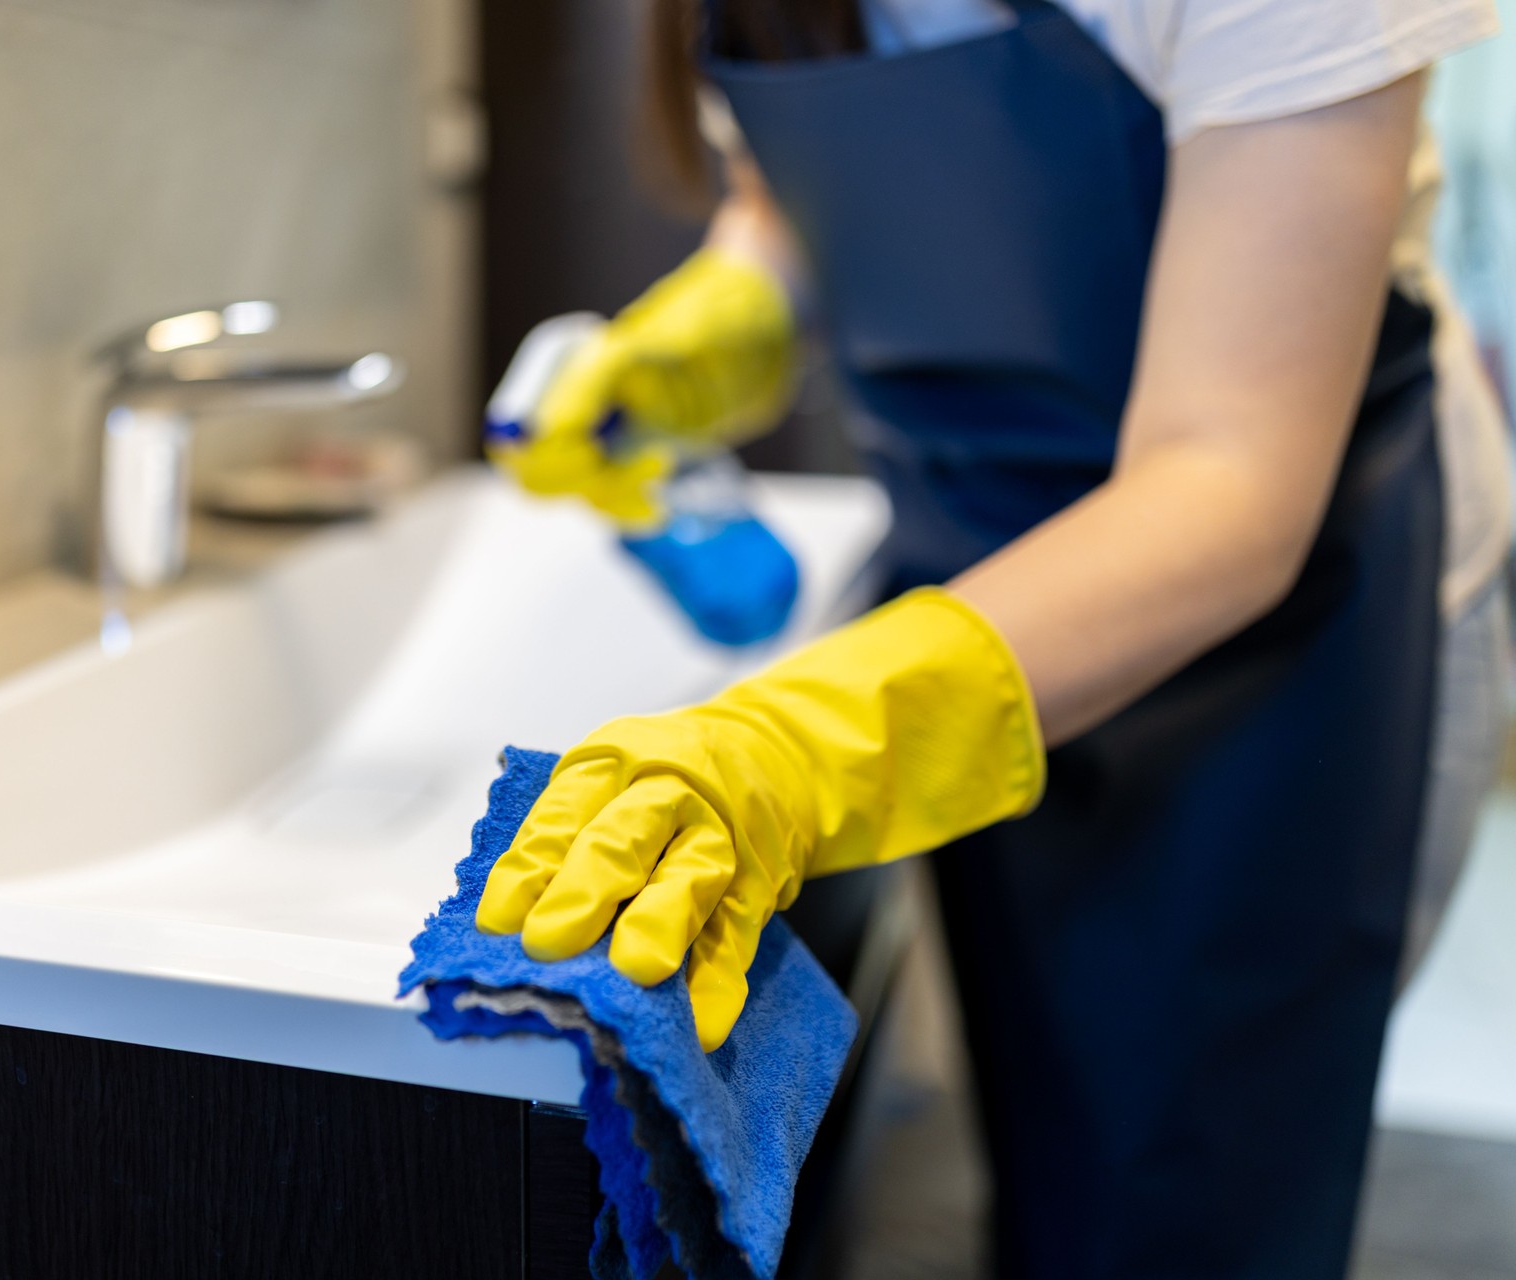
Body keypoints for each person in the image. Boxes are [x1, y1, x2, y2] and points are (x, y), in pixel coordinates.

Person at [478, 0, 1513, 1274]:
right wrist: (736, 304)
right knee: (1061, 1126)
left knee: (1212, 1170)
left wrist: (801, 744)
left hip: (1304, 624)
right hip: (979, 590)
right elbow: (801, 180)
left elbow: (1231, 485)